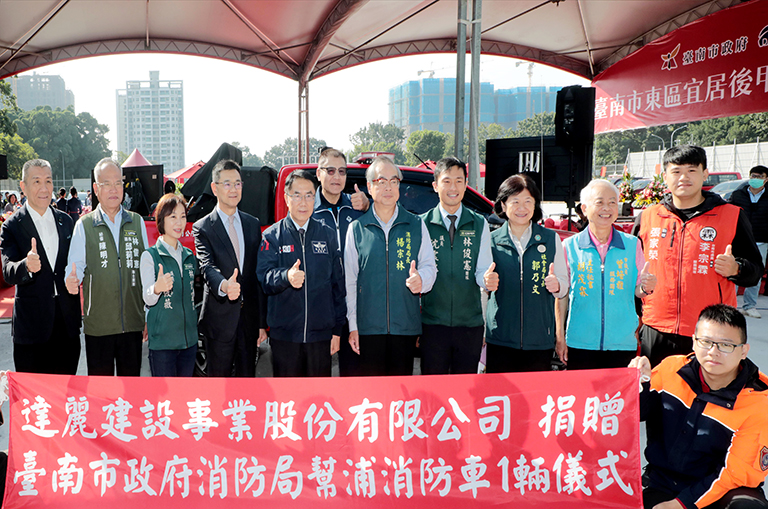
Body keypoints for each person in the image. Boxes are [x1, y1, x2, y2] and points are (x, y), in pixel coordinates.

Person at [633, 146, 763, 366]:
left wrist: (736, 269)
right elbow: (632, 273)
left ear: (705, 174)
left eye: (691, 170)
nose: (683, 177)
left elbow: (755, 271)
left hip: (710, 333)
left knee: (705, 389)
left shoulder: (731, 216)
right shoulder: (648, 217)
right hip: (656, 328)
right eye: (676, 171)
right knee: (654, 386)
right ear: (665, 176)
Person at [630, 304, 768, 509]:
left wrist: (680, 504)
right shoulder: (671, 369)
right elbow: (634, 413)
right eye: (706, 342)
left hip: (723, 492)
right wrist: (638, 383)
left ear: (743, 351)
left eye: (726, 345)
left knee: (747, 507)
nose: (713, 352)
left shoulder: (759, 402)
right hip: (664, 484)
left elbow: (736, 473)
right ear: (694, 342)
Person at [344, 155, 437, 376]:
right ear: (369, 187)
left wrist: (421, 280)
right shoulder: (357, 229)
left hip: (405, 327)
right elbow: (350, 281)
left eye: (394, 181)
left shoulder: (416, 224)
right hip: (369, 328)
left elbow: (429, 267)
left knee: (401, 390)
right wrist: (353, 326)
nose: (388, 187)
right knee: (374, 391)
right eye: (381, 181)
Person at [557, 179, 656, 370]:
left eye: (612, 202)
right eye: (600, 202)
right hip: (580, 342)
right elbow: (562, 296)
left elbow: (638, 290)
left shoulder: (632, 244)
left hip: (622, 342)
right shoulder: (569, 246)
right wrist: (560, 336)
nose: (607, 208)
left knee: (618, 390)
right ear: (584, 209)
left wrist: (646, 287)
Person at [257, 170, 346, 377]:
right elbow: (264, 278)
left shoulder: (328, 235)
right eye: (297, 195)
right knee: (288, 394)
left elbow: (338, 286)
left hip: (320, 336)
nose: (303, 202)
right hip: (285, 337)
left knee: (318, 394)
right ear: (287, 198)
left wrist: (337, 330)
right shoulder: (272, 236)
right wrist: (286, 277)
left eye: (309, 195)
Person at [66, 157, 148, 376]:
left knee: (130, 389)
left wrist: (147, 315)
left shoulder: (137, 222)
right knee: (101, 391)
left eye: (118, 183)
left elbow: (146, 273)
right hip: (99, 327)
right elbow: (75, 266)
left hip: (132, 323)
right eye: (106, 184)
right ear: (96, 189)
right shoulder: (84, 225)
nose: (114, 189)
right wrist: (71, 279)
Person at [0, 159, 81, 374]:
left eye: (48, 181)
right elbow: (7, 271)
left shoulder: (66, 221)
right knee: (34, 394)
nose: (44, 188)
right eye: (36, 181)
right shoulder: (12, 226)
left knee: (67, 390)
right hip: (31, 330)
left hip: (66, 325)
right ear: (23, 186)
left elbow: (75, 262)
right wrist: (26, 266)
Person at [419, 157, 495, 374]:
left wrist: (487, 279)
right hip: (433, 324)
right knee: (434, 386)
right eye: (447, 181)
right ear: (435, 186)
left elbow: (482, 269)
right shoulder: (422, 223)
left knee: (466, 387)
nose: (453, 188)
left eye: (459, 181)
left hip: (469, 324)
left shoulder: (479, 223)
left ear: (465, 185)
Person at [485, 174, 568, 372]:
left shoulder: (550, 239)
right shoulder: (491, 240)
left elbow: (564, 286)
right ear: (503, 205)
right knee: (501, 391)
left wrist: (557, 285)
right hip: (500, 338)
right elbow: (481, 285)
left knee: (534, 391)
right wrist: (486, 281)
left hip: (539, 340)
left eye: (528, 201)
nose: (522, 208)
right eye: (515, 202)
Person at [193, 159, 267, 377]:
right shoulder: (203, 227)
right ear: (215, 188)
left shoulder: (252, 224)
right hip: (219, 322)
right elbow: (207, 266)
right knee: (220, 385)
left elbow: (256, 277)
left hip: (248, 323)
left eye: (237, 183)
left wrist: (261, 323)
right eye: (227, 184)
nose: (234, 189)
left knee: (247, 384)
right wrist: (224, 285)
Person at [312, 147, 368, 376]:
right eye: (330, 170)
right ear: (318, 173)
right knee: (318, 375)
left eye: (342, 171)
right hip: (321, 306)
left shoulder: (357, 207)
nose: (337, 177)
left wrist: (369, 205)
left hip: (354, 304)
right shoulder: (308, 209)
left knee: (354, 375)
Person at [140, 193, 198, 377]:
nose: (179, 222)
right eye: (173, 217)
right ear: (161, 220)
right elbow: (147, 297)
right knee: (164, 395)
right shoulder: (150, 256)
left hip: (189, 342)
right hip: (163, 344)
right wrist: (157, 288)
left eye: (183, 216)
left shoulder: (189, 256)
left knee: (184, 393)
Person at [730, 165, 768, 318]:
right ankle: (731, 305)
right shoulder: (738, 194)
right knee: (733, 271)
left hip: (761, 240)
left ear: (766, 179)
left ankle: (750, 305)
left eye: (759, 177)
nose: (755, 179)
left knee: (755, 273)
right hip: (738, 239)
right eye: (753, 176)